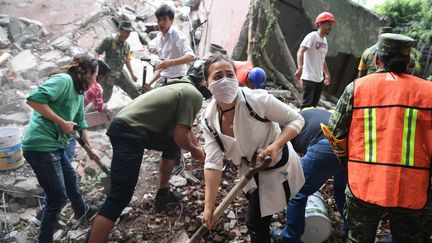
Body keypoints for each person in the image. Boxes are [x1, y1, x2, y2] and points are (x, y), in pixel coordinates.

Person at [87, 61, 211, 243]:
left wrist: (198, 146)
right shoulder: (194, 94)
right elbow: (180, 135)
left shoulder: (180, 86)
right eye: (215, 77)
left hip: (129, 127)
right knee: (120, 196)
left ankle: (162, 194)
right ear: (204, 81)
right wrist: (194, 150)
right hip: (129, 132)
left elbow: (184, 129)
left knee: (170, 144)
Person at [327, 33, 432, 243]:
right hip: (413, 187)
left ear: (376, 59)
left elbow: (335, 132)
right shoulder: (428, 92)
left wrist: (349, 164)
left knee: (358, 238)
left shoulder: (356, 88)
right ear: (409, 61)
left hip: (363, 183)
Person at [201, 55, 305, 243]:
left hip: (277, 165)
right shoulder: (209, 120)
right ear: (206, 84)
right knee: (260, 209)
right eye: (217, 77)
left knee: (255, 223)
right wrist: (209, 206)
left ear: (237, 78)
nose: (225, 80)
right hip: (250, 170)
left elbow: (297, 119)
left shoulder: (258, 101)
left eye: (229, 75)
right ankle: (268, 224)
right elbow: (212, 164)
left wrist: (274, 146)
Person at [22, 53, 100, 243]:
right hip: (41, 145)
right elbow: (33, 99)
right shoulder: (64, 80)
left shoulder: (79, 92)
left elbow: (80, 122)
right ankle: (45, 239)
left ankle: (82, 211)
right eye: (95, 75)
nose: (96, 80)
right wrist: (61, 122)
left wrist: (90, 149)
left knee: (70, 177)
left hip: (55, 146)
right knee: (57, 197)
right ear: (87, 72)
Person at [271, 108, 348, 242]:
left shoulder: (280, 130)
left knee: (296, 190)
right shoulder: (301, 116)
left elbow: (286, 161)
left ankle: (290, 237)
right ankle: (350, 230)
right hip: (348, 145)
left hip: (327, 144)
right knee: (341, 190)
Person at [146, 4, 195, 87]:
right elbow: (162, 67)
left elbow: (191, 57)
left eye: (164, 19)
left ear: (171, 21)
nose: (161, 23)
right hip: (164, 79)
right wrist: (149, 83)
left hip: (178, 79)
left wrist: (171, 62)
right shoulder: (158, 38)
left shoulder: (177, 35)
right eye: (158, 20)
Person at [295, 12, 335, 109]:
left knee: (313, 107)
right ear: (320, 24)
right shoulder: (312, 36)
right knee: (306, 106)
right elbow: (300, 51)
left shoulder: (324, 40)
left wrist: (327, 74)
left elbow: (322, 58)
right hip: (309, 78)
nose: (330, 27)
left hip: (319, 79)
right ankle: (303, 123)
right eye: (328, 24)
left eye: (331, 24)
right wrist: (300, 68)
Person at [94, 21, 140, 103]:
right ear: (120, 30)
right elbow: (97, 51)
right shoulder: (110, 40)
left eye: (129, 32)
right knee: (105, 98)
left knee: (134, 92)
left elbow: (127, 60)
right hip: (109, 74)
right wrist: (97, 67)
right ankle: (88, 113)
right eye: (125, 31)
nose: (127, 34)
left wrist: (132, 74)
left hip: (121, 72)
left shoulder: (126, 45)